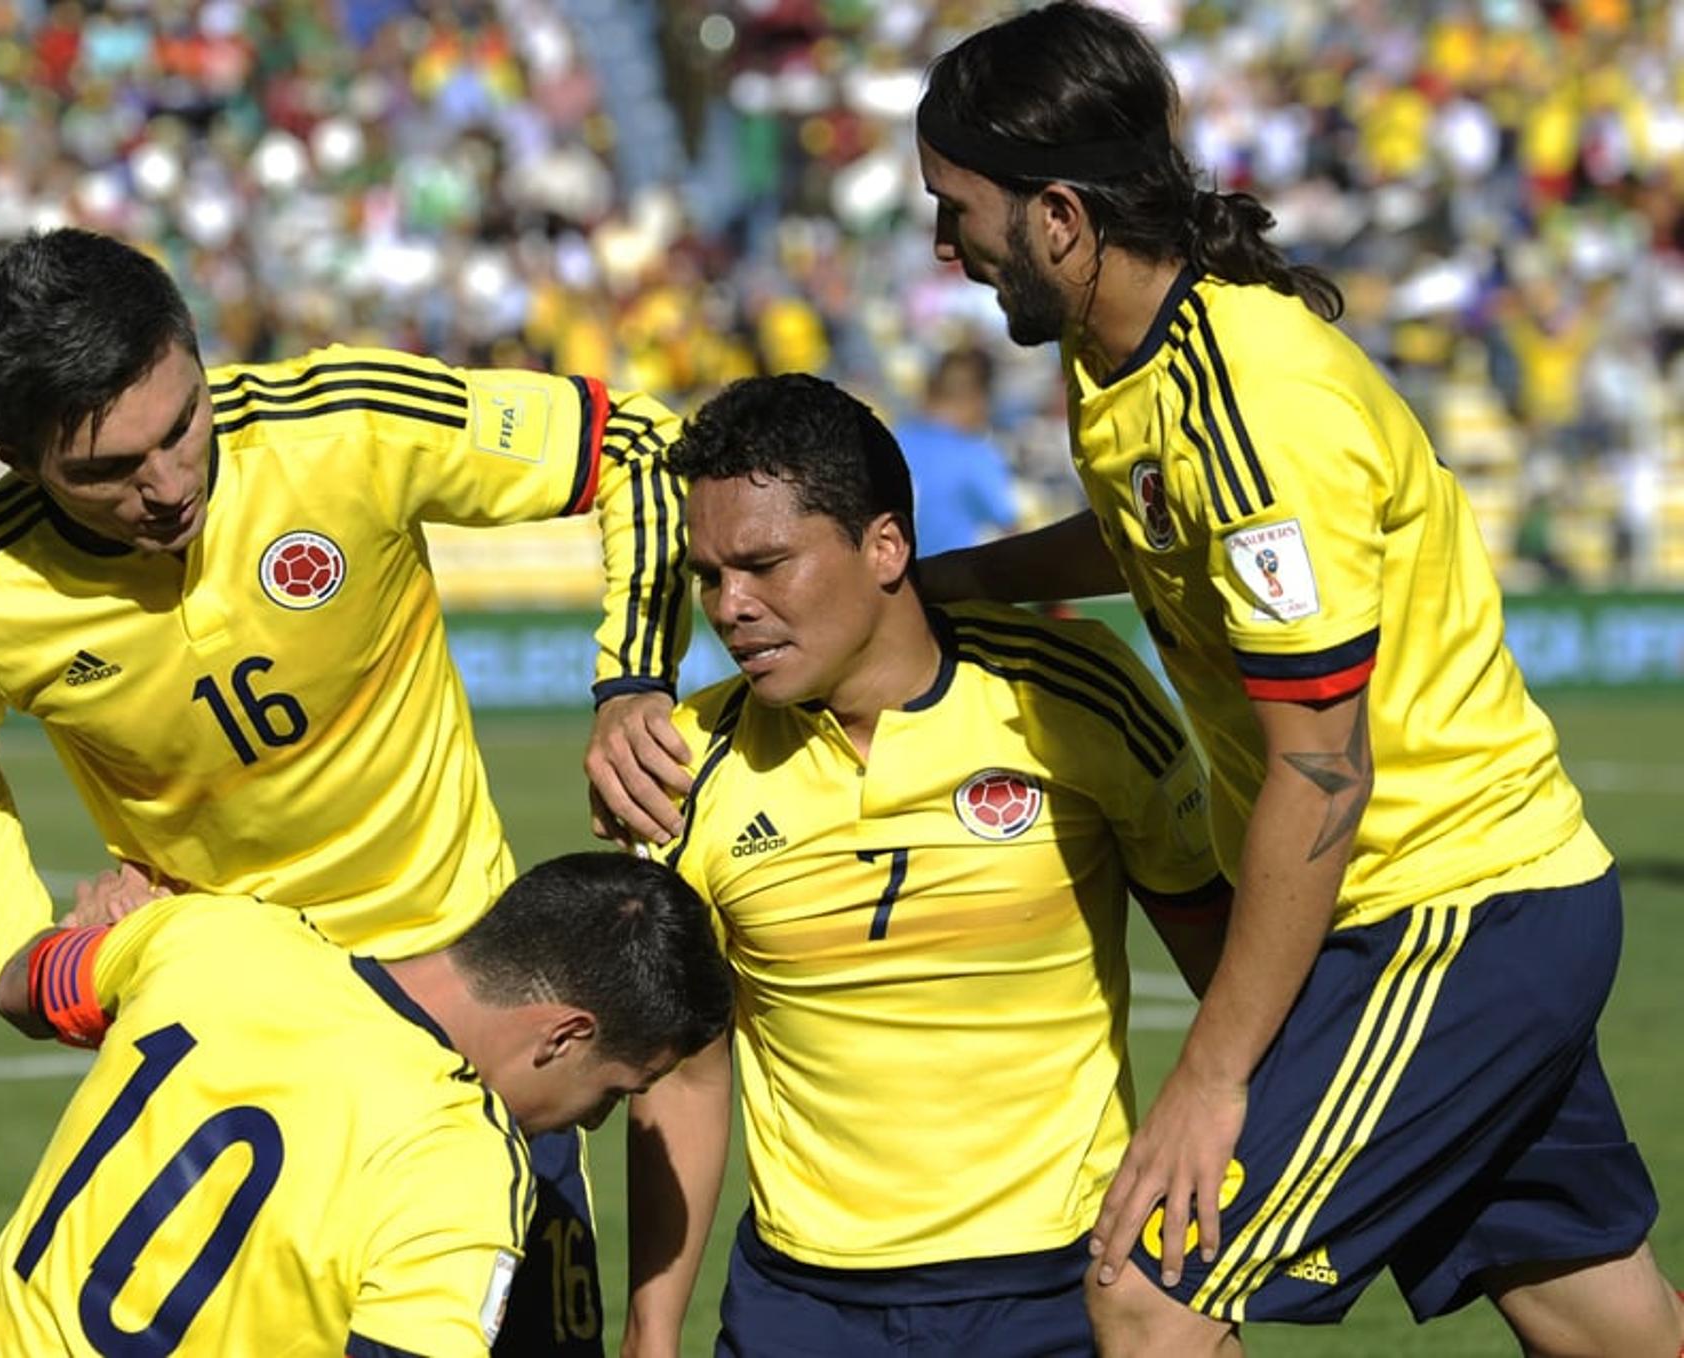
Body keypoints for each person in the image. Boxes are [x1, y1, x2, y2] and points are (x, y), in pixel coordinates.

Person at [913, 5, 1683, 1353]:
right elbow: (1158, 525)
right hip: (1470, 909)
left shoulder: (1254, 401)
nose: (941, 246)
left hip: (1446, 914)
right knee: (1602, 1314)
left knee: (1151, 1287)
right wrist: (945, 586)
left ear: (1057, 216)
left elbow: (1325, 766)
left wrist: (1211, 1074)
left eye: (955, 208)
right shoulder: (1126, 361)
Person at [0, 227, 694, 1355]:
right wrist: (20, 945)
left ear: (195, 352)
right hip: (233, 1041)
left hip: (483, 1013)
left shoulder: (346, 424)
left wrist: (634, 677)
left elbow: (637, 443)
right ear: (12, 457)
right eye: (109, 469)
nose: (168, 487)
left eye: (181, 425)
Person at [618, 373, 1229, 1358]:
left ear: (886, 546)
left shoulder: (1078, 694)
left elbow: (1230, 975)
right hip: (800, 1308)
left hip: (1069, 1285)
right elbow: (684, 1076)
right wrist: (650, 1337)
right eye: (710, 575)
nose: (730, 607)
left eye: (766, 564)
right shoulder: (685, 766)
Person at [0, 853, 734, 1357]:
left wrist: (99, 932)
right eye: (615, 1089)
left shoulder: (221, 939)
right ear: (562, 1032)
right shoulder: (465, 1165)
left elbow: (26, 985)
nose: (594, 1122)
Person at [894, 344, 1021, 556]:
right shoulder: (973, 455)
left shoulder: (890, 440)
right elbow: (1013, 533)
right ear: (977, 398)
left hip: (886, 582)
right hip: (944, 583)